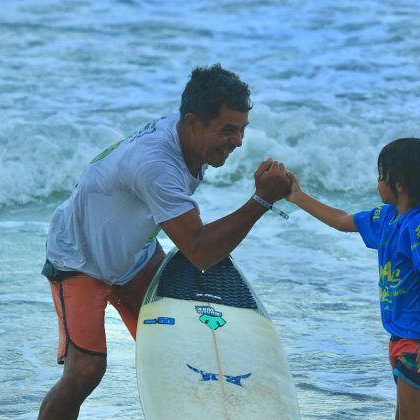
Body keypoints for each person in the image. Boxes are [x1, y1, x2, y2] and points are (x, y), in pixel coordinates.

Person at [38, 64, 291, 420]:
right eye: (228, 130)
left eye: (242, 129)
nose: (238, 142)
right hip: (80, 259)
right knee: (85, 372)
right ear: (191, 123)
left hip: (136, 255)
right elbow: (200, 250)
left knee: (184, 351)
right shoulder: (157, 164)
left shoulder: (193, 139)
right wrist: (261, 201)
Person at [286, 137, 420, 420]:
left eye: (381, 175)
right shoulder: (387, 217)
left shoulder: (419, 228)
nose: (377, 182)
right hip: (402, 334)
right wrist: (296, 196)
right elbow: (341, 220)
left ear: (398, 183)